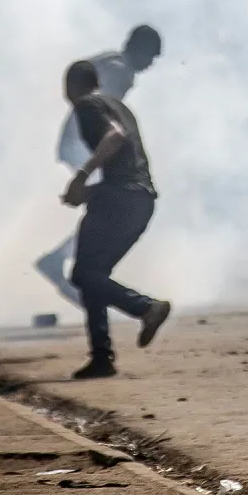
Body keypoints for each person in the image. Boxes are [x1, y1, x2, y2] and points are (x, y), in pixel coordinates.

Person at [59, 58, 170, 379]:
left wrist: (81, 176)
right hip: (141, 201)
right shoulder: (119, 105)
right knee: (94, 276)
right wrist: (86, 194)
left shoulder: (88, 105)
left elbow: (114, 138)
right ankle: (102, 358)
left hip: (120, 199)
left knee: (82, 274)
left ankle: (145, 307)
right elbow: (127, 167)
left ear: (72, 87)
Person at [37, 26, 162, 305]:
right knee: (109, 209)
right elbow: (106, 117)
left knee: (105, 209)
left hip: (81, 141)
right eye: (151, 56)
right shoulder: (120, 70)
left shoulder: (111, 60)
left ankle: (64, 262)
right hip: (86, 143)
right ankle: (68, 264)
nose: (151, 64)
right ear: (139, 48)